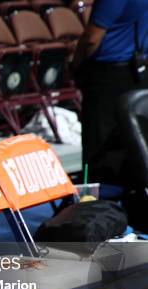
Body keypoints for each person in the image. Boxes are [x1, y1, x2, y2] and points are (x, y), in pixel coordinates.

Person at [72, 0, 148, 186]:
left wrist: (74, 65)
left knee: (100, 148)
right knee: (132, 144)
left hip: (109, 75)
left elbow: (91, 39)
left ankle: (99, 205)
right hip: (140, 69)